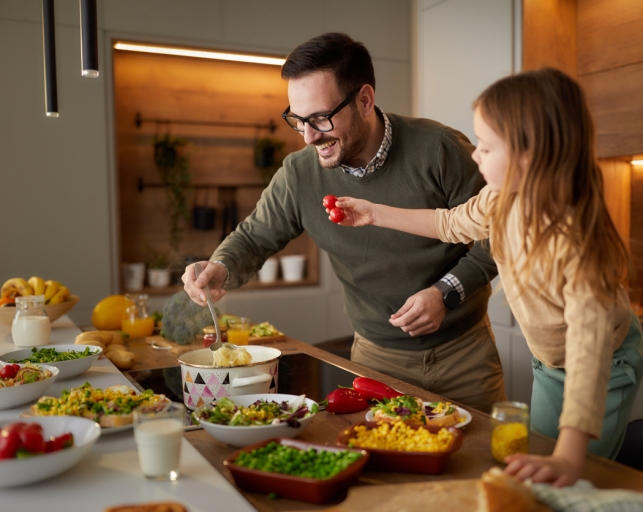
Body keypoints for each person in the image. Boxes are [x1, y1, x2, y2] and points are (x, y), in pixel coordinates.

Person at [331, 68, 643, 486]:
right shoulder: (502, 199)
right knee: (537, 469)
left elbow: (589, 353)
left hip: (602, 363)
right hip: (552, 360)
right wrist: (374, 212)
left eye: (485, 146)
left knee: (570, 478)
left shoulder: (577, 243)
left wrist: (570, 460)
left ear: (528, 155)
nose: (475, 155)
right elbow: (449, 223)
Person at [181, 33, 506, 412]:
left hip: (464, 353)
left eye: (320, 118)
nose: (308, 136)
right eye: (297, 119)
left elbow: (500, 235)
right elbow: (253, 238)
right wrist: (220, 267)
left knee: (484, 462)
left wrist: (446, 292)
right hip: (375, 359)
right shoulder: (299, 174)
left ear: (365, 100)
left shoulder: (439, 149)